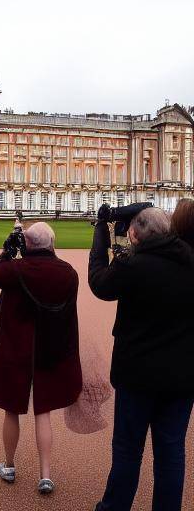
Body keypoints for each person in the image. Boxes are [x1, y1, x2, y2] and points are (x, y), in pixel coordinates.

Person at [89, 207, 194, 511]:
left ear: (134, 235)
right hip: (182, 379)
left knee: (127, 450)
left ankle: (114, 507)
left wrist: (101, 232)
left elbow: (99, 282)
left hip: (137, 377)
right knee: (172, 452)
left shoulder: (134, 265)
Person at [0, 222, 82, 495]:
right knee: (42, 411)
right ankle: (45, 475)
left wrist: (7, 251)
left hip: (17, 349)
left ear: (27, 245)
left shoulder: (15, 270)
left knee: (12, 409)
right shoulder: (69, 273)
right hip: (50, 349)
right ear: (52, 244)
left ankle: (9, 466)